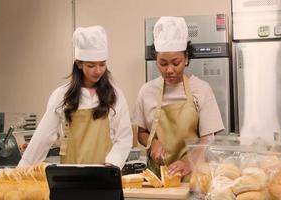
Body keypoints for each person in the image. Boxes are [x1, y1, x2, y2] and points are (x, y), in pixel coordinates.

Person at [18, 25, 132, 168]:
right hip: (70, 177)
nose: (97, 71)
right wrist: (22, 169)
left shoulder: (115, 95)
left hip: (105, 175)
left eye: (102, 64)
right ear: (79, 64)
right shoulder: (61, 96)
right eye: (91, 65)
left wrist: (111, 165)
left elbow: (124, 138)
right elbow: (43, 137)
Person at [133, 16, 224, 180]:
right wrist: (152, 142)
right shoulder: (147, 91)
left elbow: (208, 138)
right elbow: (141, 132)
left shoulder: (202, 89)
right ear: (156, 60)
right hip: (157, 178)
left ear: (186, 59)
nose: (169, 70)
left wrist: (189, 163)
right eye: (163, 63)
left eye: (176, 63)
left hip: (193, 177)